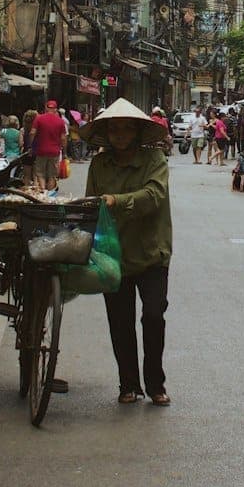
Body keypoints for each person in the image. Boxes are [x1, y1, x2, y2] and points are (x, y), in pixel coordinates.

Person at [83, 99, 172, 406]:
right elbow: (90, 204)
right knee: (120, 322)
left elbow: (154, 196)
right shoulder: (99, 164)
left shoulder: (155, 159)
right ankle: (128, 385)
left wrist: (115, 201)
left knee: (153, 316)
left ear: (137, 131)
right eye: (114, 128)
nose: (120, 134)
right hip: (114, 255)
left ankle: (156, 383)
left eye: (126, 128)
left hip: (151, 254)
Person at [31, 99, 68, 191]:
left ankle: (43, 190)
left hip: (41, 150)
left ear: (46, 108)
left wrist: (31, 145)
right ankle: (50, 194)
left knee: (40, 173)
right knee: (52, 175)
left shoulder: (39, 118)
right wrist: (64, 151)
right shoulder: (60, 121)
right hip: (55, 151)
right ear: (56, 109)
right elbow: (63, 138)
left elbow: (32, 133)